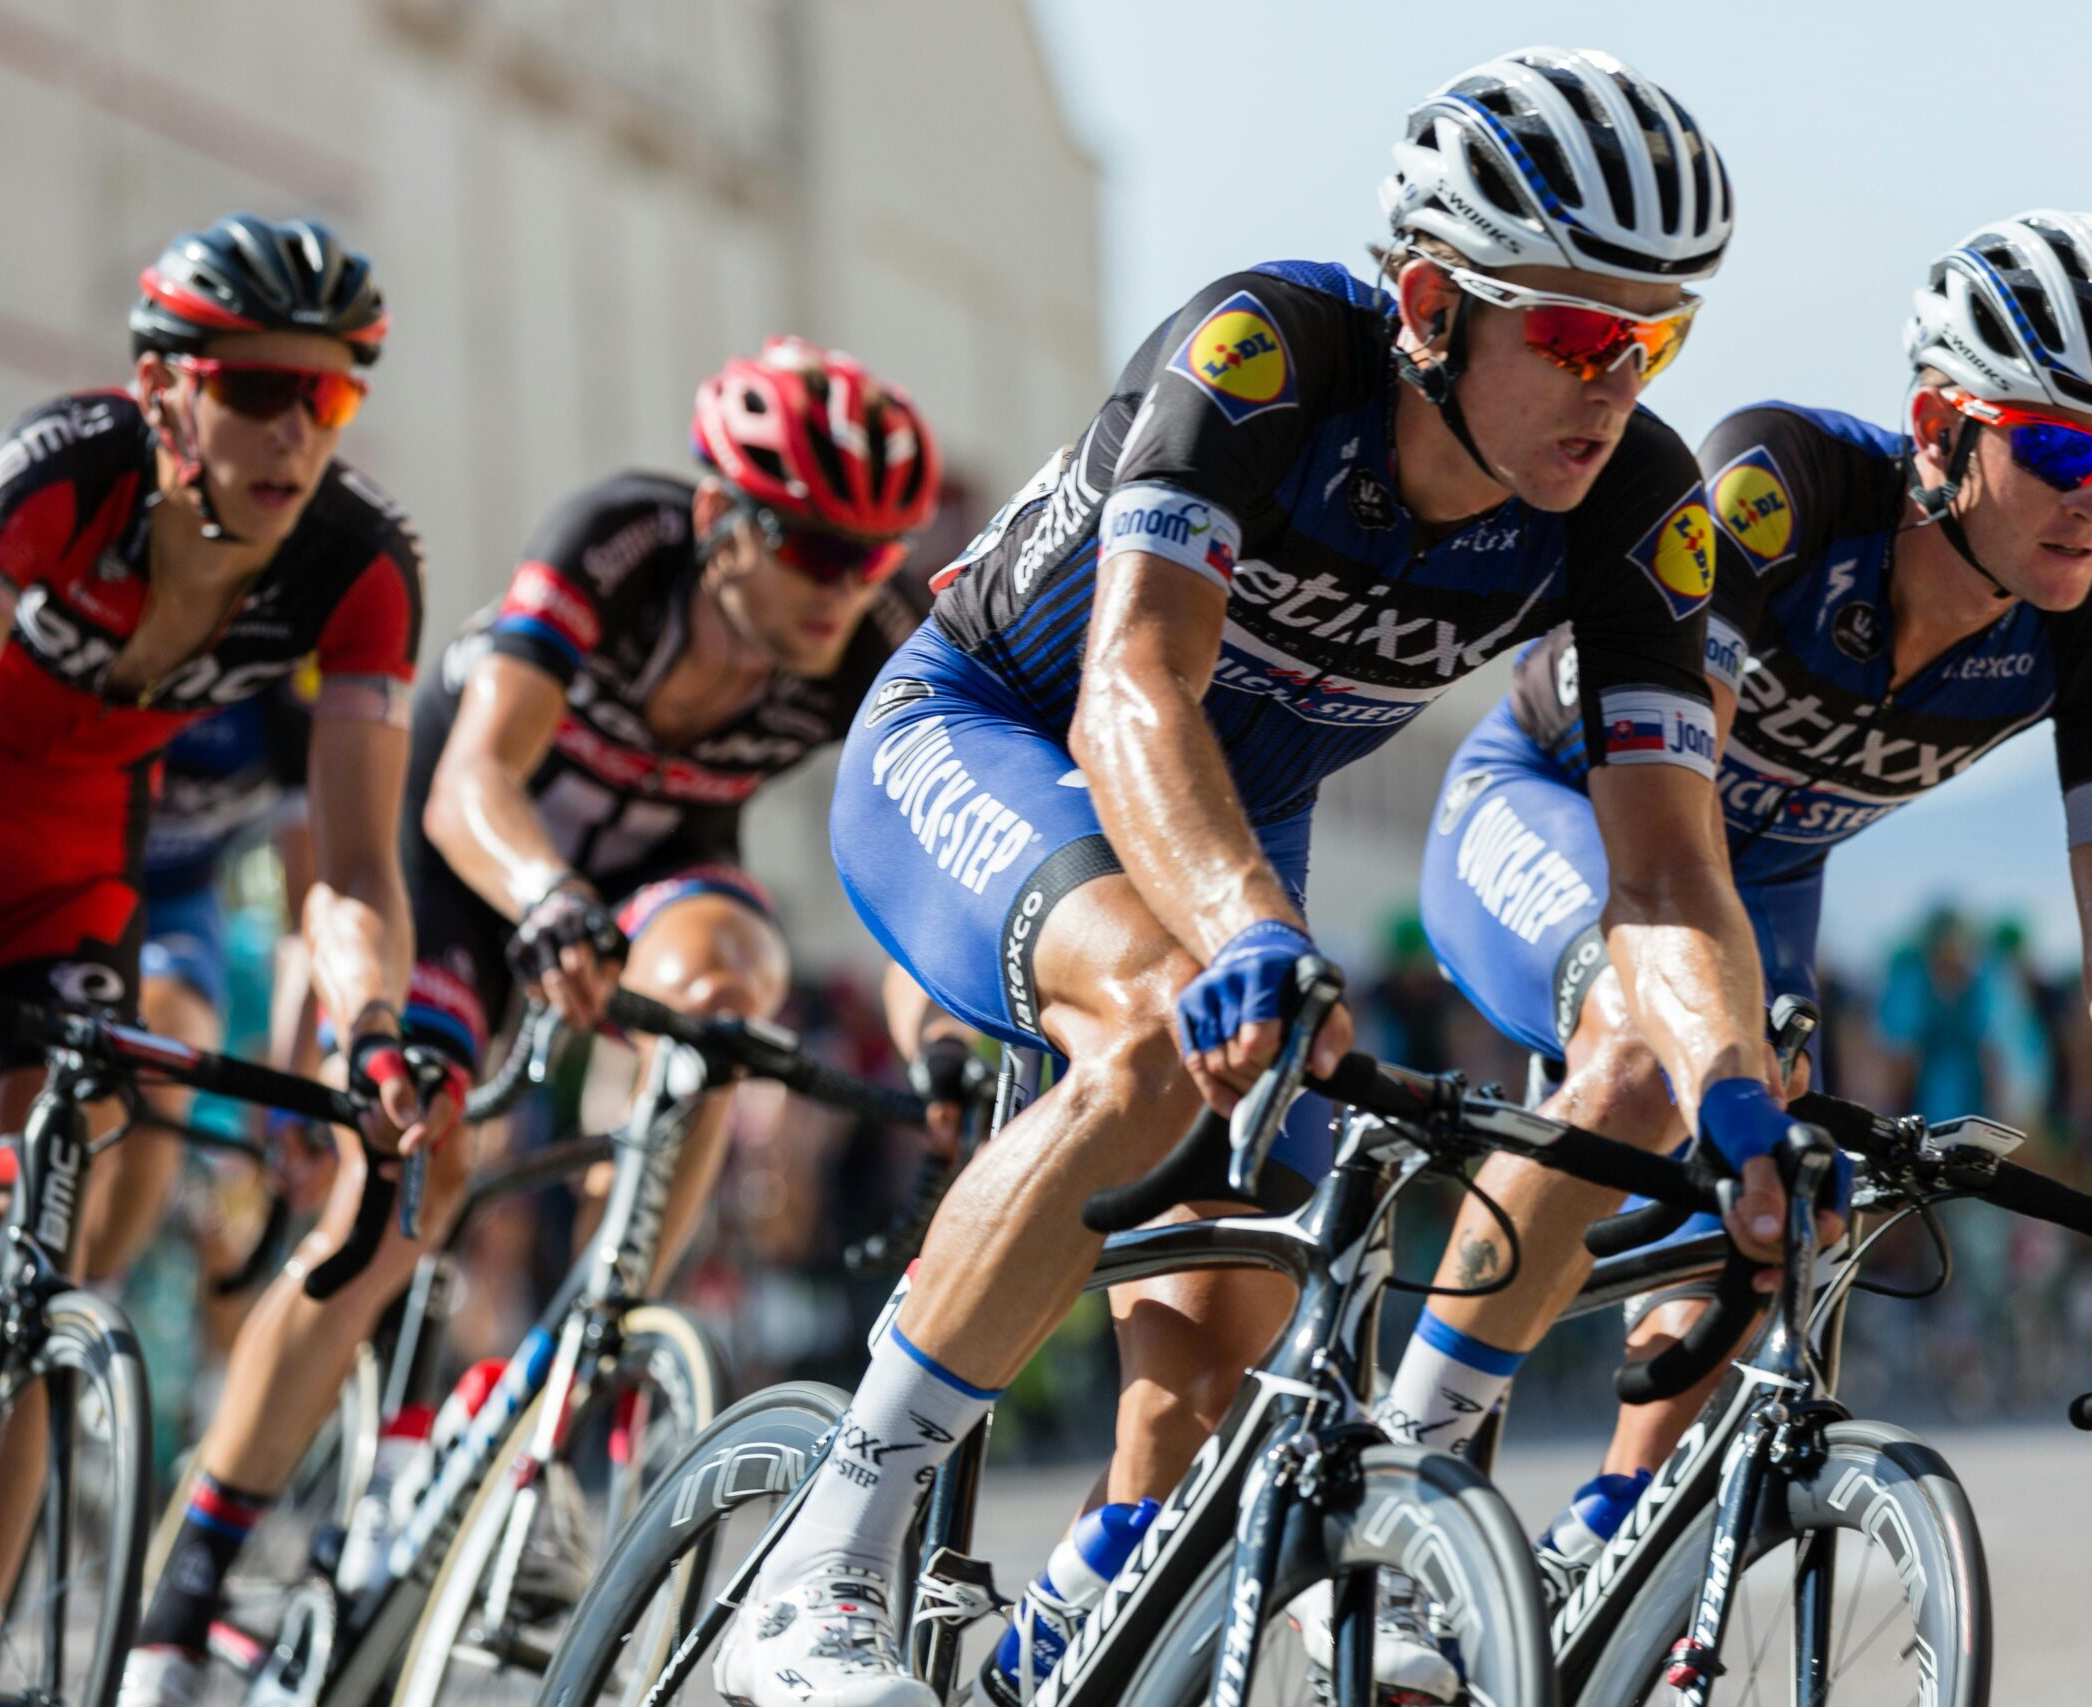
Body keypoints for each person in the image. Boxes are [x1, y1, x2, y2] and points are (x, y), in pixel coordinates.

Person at [719, 48, 1813, 1707]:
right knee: (1156, 1032)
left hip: (1231, 820)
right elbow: (1133, 687)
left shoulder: (1640, 502)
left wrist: (1731, 1091)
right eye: (1579, 338)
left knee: (1224, 1346)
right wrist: (1247, 929)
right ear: (1432, 302)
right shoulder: (1268, 356)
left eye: (1655, 339)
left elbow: (1666, 871)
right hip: (997, 733)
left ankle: (1049, 1651)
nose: (1619, 384)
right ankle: (826, 1557)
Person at [1406, 210, 2092, 1613]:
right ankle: (1409, 1472)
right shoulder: (1786, 490)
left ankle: (1602, 1547)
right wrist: (1726, 1033)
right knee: (1652, 1053)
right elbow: (1666, 839)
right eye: (2060, 451)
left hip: (1758, 886)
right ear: (1940, 427)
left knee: (1788, 1211)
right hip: (1569, 809)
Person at [120, 336, 946, 1706]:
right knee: (406, 1183)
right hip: (465, 863)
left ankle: (586, 1354)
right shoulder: (617, 546)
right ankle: (187, 1594)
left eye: (870, 558)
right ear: (720, 519)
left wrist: (945, 1042)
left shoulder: (866, 637)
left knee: (727, 985)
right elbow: (468, 786)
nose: (839, 586)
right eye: (809, 546)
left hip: (653, 877)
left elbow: (917, 875)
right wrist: (546, 899)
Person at [0, 214, 458, 1679]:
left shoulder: (359, 566)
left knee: (44, 1206)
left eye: (328, 395)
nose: (294, 432)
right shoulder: (62, 471)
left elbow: (350, 874)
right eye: (255, 389)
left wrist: (374, 1031)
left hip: (68, 852)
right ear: (163, 392)